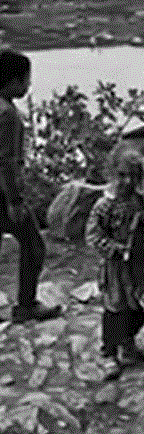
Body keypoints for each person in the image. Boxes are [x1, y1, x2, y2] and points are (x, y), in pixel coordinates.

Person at [85, 146, 144, 377]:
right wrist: (115, 250)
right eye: (122, 175)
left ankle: (128, 344)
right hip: (117, 268)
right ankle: (109, 353)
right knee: (117, 309)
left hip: (142, 263)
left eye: (133, 176)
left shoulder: (140, 200)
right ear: (112, 173)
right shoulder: (104, 206)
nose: (127, 181)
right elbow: (93, 236)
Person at [0, 49, 62, 323]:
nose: (28, 85)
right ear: (11, 81)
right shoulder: (8, 115)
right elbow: (7, 163)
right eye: (25, 80)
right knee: (34, 245)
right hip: (3, 194)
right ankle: (26, 305)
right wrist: (15, 201)